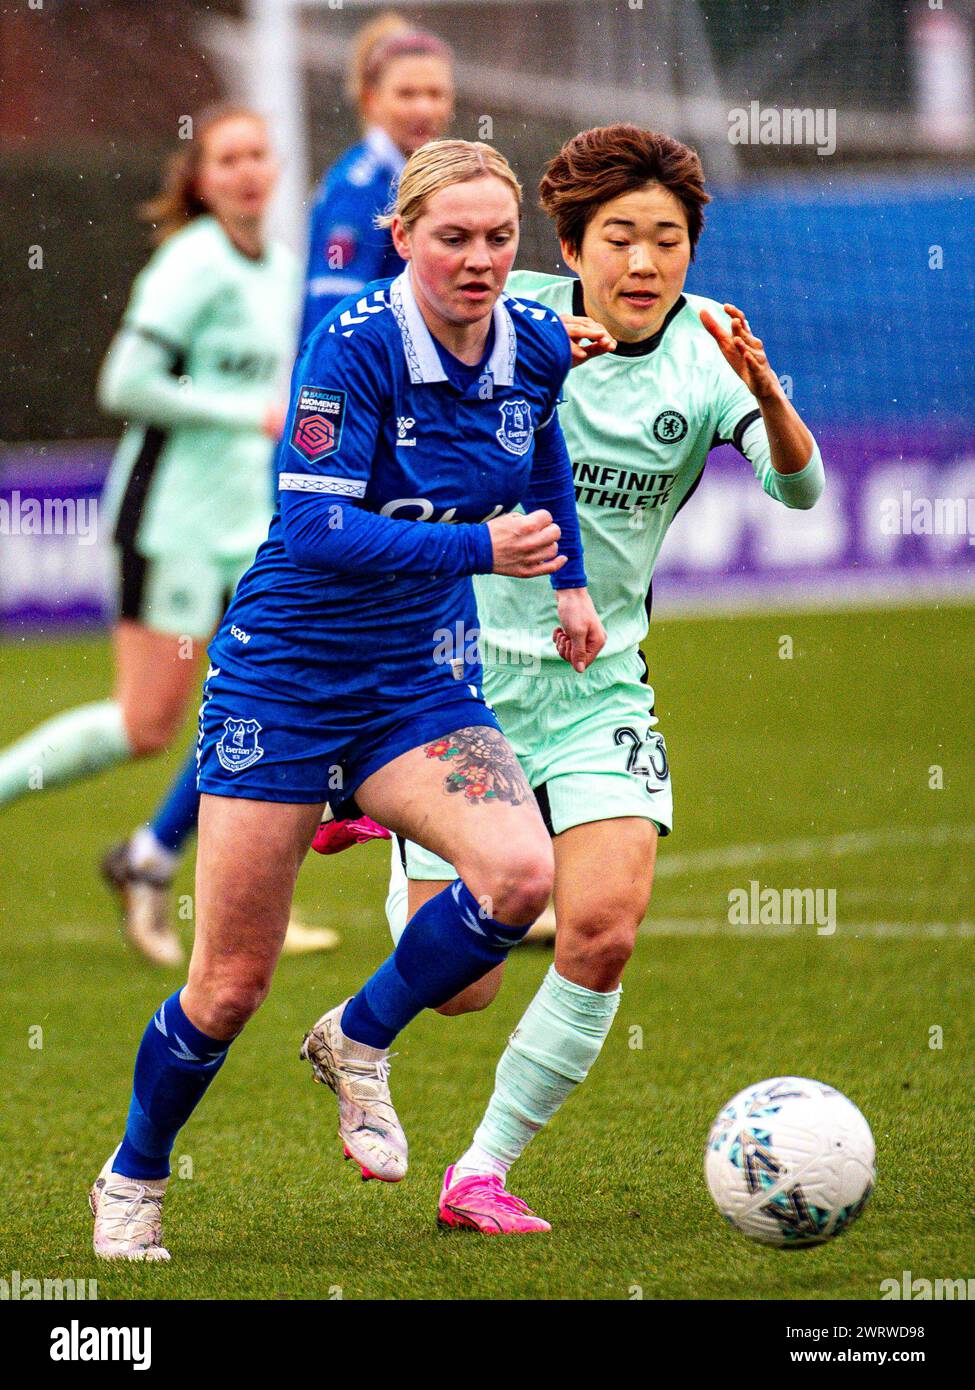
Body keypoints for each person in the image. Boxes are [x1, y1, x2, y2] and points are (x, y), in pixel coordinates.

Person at [88, 139, 605, 1261]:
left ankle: (357, 1038)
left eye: (498, 238)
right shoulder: (355, 343)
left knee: (521, 874)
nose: (478, 260)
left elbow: (541, 443)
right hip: (285, 676)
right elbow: (314, 524)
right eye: (453, 237)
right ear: (402, 237)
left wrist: (566, 582)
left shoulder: (533, 341)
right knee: (228, 985)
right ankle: (133, 1173)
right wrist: (483, 547)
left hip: (415, 680)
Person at [382, 124, 827, 1234]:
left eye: (667, 239)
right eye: (619, 237)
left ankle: (478, 1171)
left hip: (601, 687)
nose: (644, 262)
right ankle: (388, 838)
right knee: (467, 985)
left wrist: (765, 392)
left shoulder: (711, 345)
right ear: (572, 247)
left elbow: (801, 491)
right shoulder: (511, 306)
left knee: (603, 928)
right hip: (460, 679)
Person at [0, 105, 307, 965]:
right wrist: (244, 412)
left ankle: (183, 873)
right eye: (228, 158)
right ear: (202, 179)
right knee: (146, 724)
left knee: (269, 695)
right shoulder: (191, 263)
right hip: (167, 516)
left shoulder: (280, 269)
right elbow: (125, 382)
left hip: (243, 522)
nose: (247, 170)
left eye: (258, 154)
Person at [299, 10, 454, 346]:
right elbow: (333, 320)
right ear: (371, 99)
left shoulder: (427, 179)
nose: (424, 109)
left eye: (435, 94)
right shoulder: (359, 188)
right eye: (407, 94)